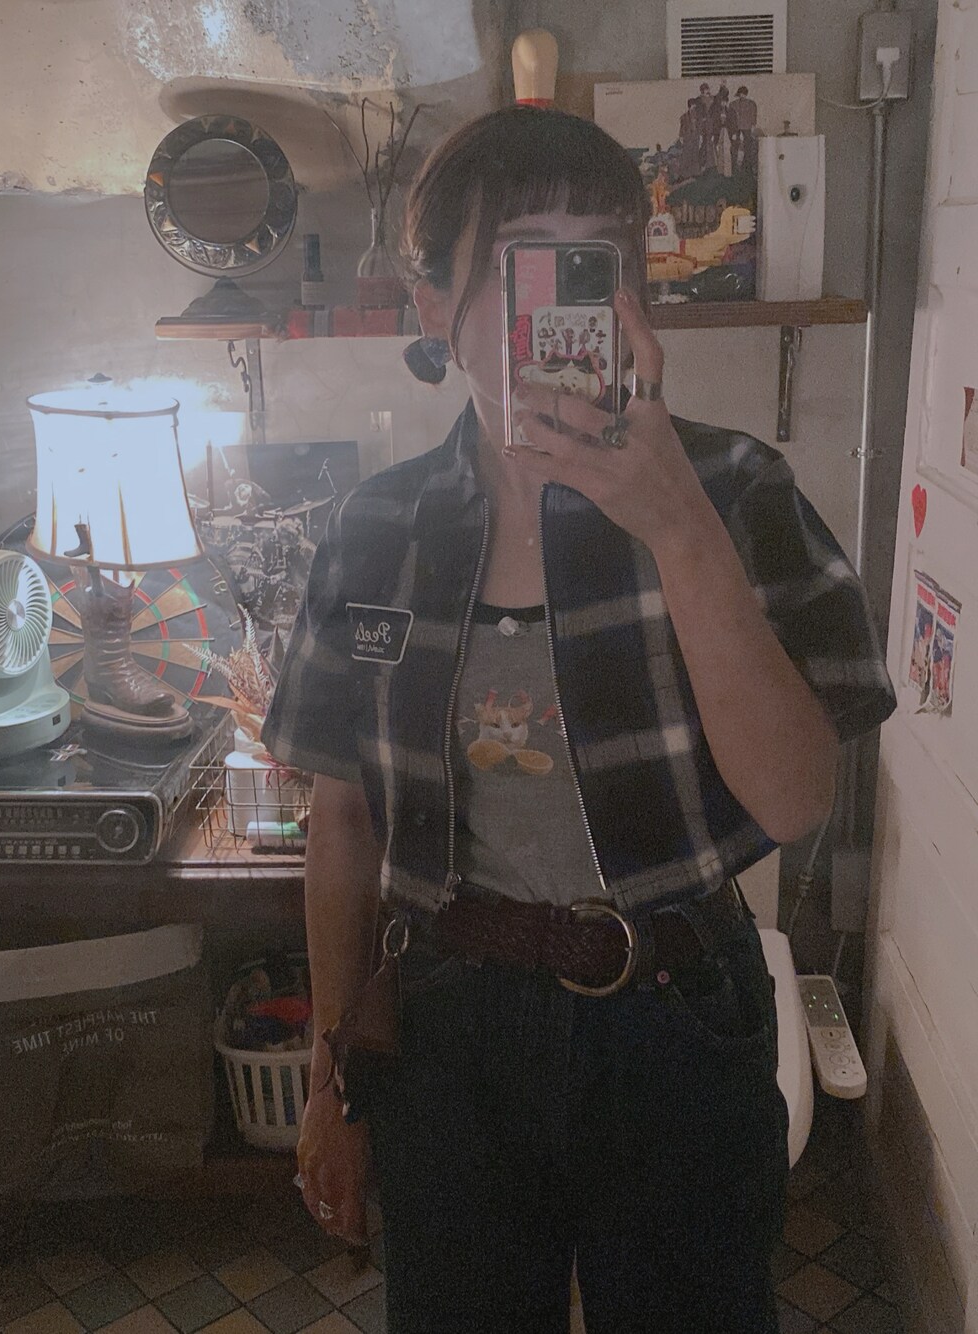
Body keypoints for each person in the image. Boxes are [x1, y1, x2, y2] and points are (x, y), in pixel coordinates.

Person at [262, 106, 896, 1334]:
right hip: (449, 1026)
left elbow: (794, 799)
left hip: (678, 1009)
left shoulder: (736, 489)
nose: (563, 305)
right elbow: (341, 820)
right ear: (434, 305)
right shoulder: (376, 529)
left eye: (597, 261)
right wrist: (333, 1075)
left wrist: (675, 526)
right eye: (523, 264)